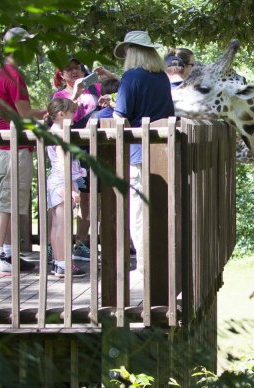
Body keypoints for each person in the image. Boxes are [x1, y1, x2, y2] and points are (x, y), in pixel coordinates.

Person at [112, 31, 174, 284]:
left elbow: (120, 117)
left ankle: (143, 267)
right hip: (163, 151)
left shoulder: (131, 77)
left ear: (132, 51)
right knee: (160, 209)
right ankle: (161, 262)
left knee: (138, 211)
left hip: (137, 152)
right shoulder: (161, 78)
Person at [0, 26, 46, 275]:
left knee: (14, 202)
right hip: (11, 149)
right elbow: (23, 113)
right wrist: (47, 112)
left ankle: (10, 254)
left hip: (10, 148)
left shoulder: (5, 72)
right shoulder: (12, 75)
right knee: (6, 202)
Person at [51, 57, 99, 260]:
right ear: (61, 75)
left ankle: (82, 242)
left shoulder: (94, 89)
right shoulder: (59, 95)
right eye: (68, 69)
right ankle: (60, 250)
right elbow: (57, 118)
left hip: (93, 149)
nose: (73, 72)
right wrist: (75, 94)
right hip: (70, 151)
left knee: (89, 197)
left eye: (77, 68)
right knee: (66, 203)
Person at [44, 98, 88, 277]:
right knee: (62, 225)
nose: (74, 116)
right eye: (71, 113)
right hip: (62, 182)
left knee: (56, 224)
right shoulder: (60, 135)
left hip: (56, 182)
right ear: (61, 114)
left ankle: (58, 261)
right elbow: (64, 165)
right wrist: (70, 189)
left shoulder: (53, 132)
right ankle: (63, 263)